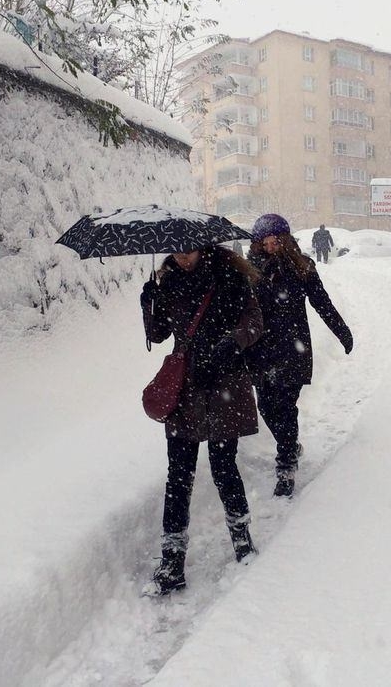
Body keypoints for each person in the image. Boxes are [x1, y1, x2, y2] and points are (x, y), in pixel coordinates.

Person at [140, 244, 264, 596]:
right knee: (177, 476)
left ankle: (242, 541)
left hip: (224, 384)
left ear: (202, 247)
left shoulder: (231, 279)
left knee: (224, 466)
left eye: (187, 252)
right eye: (175, 253)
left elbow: (254, 323)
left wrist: (229, 345)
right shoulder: (170, 283)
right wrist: (148, 304)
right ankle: (172, 562)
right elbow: (158, 334)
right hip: (186, 389)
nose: (181, 258)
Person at [246, 214, 353, 498]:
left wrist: (342, 331)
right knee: (266, 408)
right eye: (265, 242)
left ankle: (286, 466)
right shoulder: (248, 271)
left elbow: (322, 303)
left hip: (293, 349)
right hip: (260, 350)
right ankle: (290, 445)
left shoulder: (300, 267)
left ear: (285, 240)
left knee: (285, 406)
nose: (270, 246)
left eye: (275, 241)